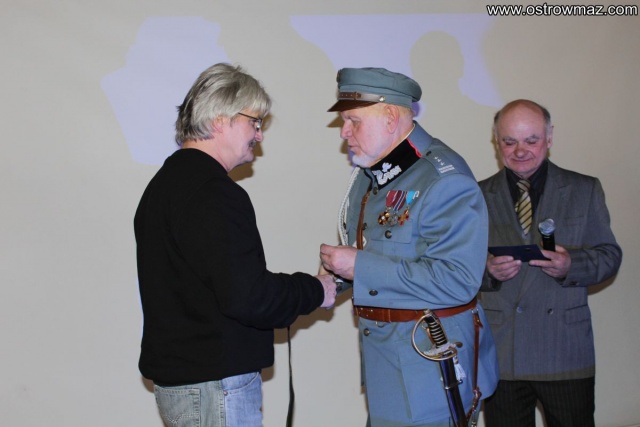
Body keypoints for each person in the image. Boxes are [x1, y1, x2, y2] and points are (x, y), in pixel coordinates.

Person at [134, 63, 336, 427]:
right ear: (219, 120)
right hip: (215, 386)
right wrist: (316, 289)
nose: (259, 135)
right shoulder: (213, 193)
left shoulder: (164, 185)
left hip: (190, 383)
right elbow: (250, 297)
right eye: (254, 122)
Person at [319, 67, 499, 427]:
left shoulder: (442, 179)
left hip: (428, 367)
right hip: (388, 360)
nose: (344, 132)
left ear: (389, 117)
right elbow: (380, 251)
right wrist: (331, 281)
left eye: (354, 121)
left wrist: (359, 266)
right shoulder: (373, 173)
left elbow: (457, 280)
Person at [479, 99, 623, 427]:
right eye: (509, 142)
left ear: (549, 137)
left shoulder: (584, 189)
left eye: (531, 140)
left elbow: (610, 256)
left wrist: (571, 264)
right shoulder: (476, 195)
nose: (520, 151)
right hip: (503, 352)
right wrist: (488, 271)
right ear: (496, 141)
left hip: (564, 349)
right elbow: (457, 268)